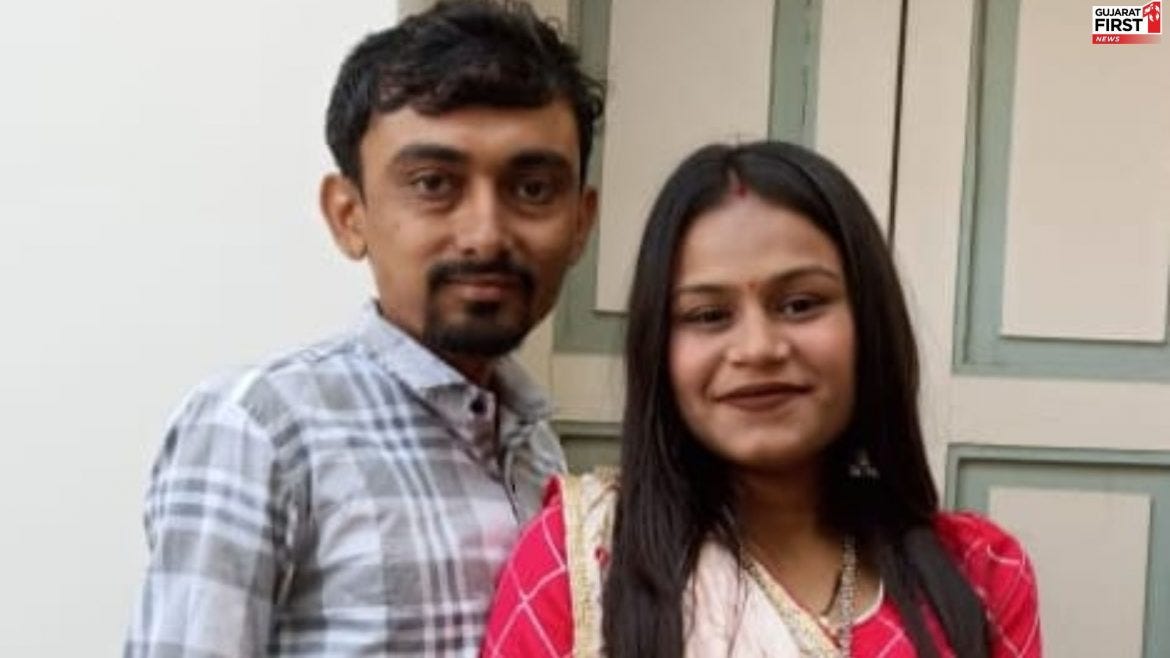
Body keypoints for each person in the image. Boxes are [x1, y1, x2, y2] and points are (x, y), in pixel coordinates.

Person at [124, 1, 602, 656]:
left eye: (534, 189)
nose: (485, 234)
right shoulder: (262, 430)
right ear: (349, 215)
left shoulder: (534, 447)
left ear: (581, 223)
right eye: (434, 183)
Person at [481, 141, 1041, 658]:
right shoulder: (581, 561)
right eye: (708, 315)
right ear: (659, 347)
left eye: (801, 304)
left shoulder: (977, 573)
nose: (758, 349)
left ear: (869, 322)